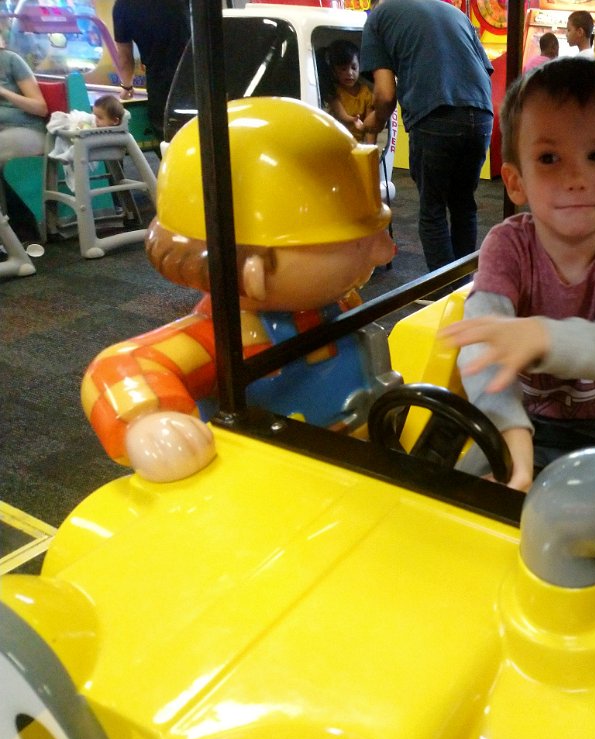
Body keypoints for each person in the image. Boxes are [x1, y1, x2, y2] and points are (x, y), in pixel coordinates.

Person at [82, 98, 397, 483]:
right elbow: (121, 366)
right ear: (250, 265)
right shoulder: (228, 337)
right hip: (273, 481)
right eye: (352, 248)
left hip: (360, 456)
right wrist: (149, 421)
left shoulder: (335, 302)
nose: (387, 252)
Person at [441, 59, 595, 491]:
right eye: (549, 158)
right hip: (522, 419)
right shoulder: (507, 246)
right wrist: (512, 433)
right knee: (455, 497)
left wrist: (540, 337)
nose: (575, 178)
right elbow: (481, 349)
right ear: (515, 181)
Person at [360, 0, 494, 272]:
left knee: (433, 210)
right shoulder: (453, 11)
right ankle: (462, 286)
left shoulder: (379, 16)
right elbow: (484, 71)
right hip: (481, 113)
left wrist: (373, 122)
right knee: (464, 205)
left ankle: (441, 291)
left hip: (435, 115)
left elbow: (384, 94)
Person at [112, 0, 190, 142]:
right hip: (193, 72)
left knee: (167, 138)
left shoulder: (122, 6)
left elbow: (125, 57)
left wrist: (127, 86)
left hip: (160, 81)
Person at [0, 35, 48, 242]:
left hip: (27, 129)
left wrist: (4, 92)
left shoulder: (11, 60)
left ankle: (14, 230)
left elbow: (40, 107)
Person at [325, 39, 375, 143]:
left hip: (358, 141)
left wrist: (370, 146)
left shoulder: (366, 93)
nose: (349, 73)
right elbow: (340, 114)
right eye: (343, 69)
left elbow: (370, 120)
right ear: (334, 71)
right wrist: (352, 119)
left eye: (354, 67)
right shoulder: (334, 91)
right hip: (336, 140)